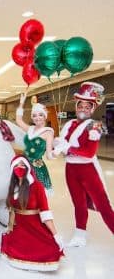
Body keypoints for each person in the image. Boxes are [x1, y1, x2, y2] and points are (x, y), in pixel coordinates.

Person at [53, 82, 114, 246]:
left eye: (88, 107)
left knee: (103, 205)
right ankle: (80, 235)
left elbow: (89, 152)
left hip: (88, 170)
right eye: (81, 105)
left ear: (93, 109)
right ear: (77, 106)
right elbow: (62, 146)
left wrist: (68, 148)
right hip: (70, 169)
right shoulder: (69, 124)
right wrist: (57, 145)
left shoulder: (95, 125)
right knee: (78, 203)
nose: (84, 109)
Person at [1, 155, 64, 272]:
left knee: (51, 249)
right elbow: (12, 211)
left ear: (28, 168)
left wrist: (56, 235)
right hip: (19, 228)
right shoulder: (12, 187)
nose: (20, 168)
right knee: (7, 242)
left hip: (35, 227)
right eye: (17, 165)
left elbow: (45, 212)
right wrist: (8, 227)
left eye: (23, 165)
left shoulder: (37, 186)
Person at [16, 95, 54, 196]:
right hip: (24, 164)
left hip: (37, 168)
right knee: (23, 195)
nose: (37, 118)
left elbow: (49, 156)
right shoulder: (30, 129)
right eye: (34, 115)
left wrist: (58, 150)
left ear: (45, 116)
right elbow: (18, 120)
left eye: (40, 115)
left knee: (36, 196)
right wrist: (21, 103)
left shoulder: (48, 133)